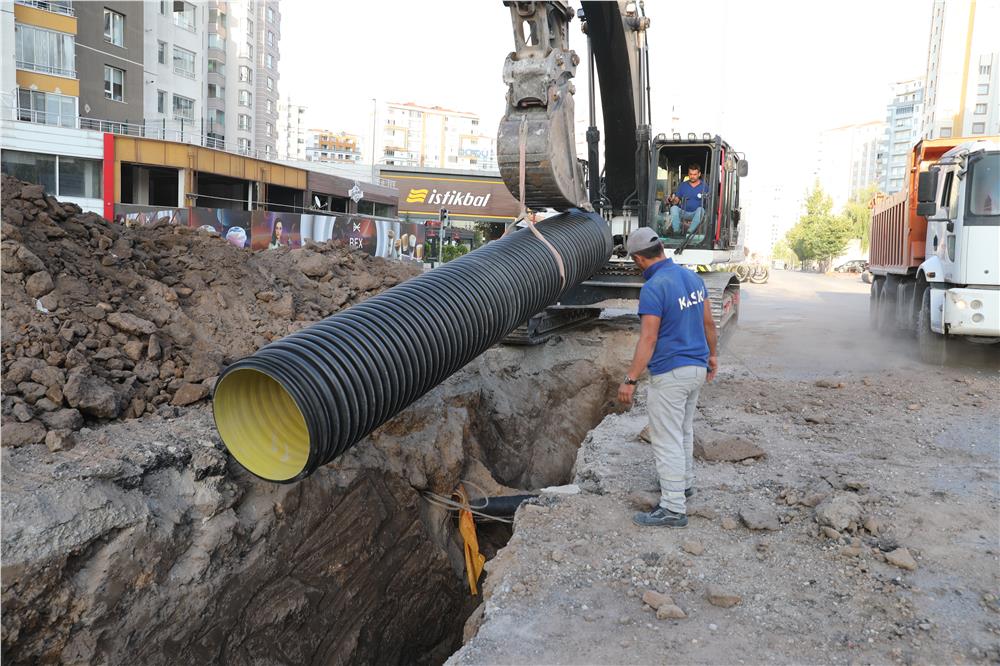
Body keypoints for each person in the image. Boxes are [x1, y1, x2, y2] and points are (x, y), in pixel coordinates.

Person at [618, 227, 718, 528]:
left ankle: (673, 507)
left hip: (671, 373)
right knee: (683, 430)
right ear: (661, 249)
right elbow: (709, 323)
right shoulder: (691, 277)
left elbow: (648, 339)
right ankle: (683, 484)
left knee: (667, 439)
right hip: (696, 368)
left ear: (638, 259)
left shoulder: (654, 287)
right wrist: (712, 356)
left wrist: (630, 379)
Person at [668, 164, 706, 235]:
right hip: (683, 212)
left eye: (694, 174)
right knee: (673, 208)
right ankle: (676, 232)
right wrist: (672, 200)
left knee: (701, 210)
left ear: (699, 174)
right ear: (688, 174)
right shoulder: (683, 185)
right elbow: (676, 200)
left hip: (696, 213)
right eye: (690, 174)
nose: (692, 176)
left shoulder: (704, 186)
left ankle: (690, 232)